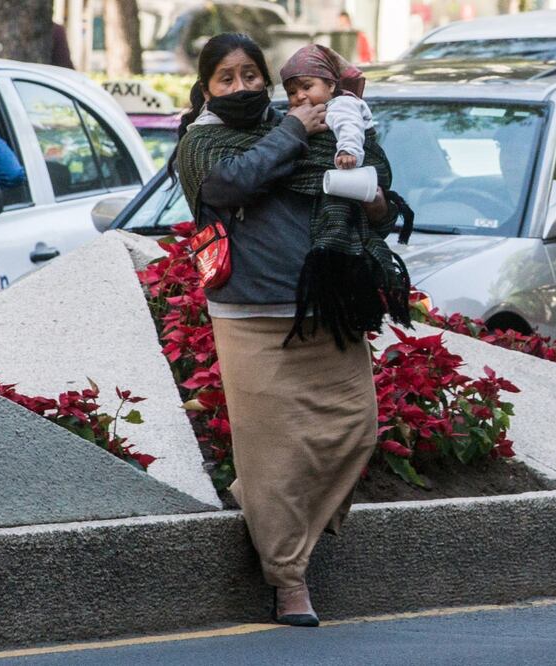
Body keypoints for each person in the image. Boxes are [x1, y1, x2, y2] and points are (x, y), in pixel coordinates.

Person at [170, 33, 411, 627]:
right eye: (226, 78)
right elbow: (231, 186)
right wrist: (296, 131)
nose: (242, 86)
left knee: (357, 428)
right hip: (251, 316)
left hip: (328, 308)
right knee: (274, 459)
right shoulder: (202, 143)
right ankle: (288, 581)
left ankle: (261, 510)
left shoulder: (316, 126)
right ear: (206, 89)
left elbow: (366, 184)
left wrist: (374, 201)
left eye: (251, 74)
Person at [281, 44, 372, 170]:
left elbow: (349, 125)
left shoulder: (342, 104)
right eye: (292, 92)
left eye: (307, 87)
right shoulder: (295, 117)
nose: (300, 96)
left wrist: (347, 151)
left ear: (330, 85)